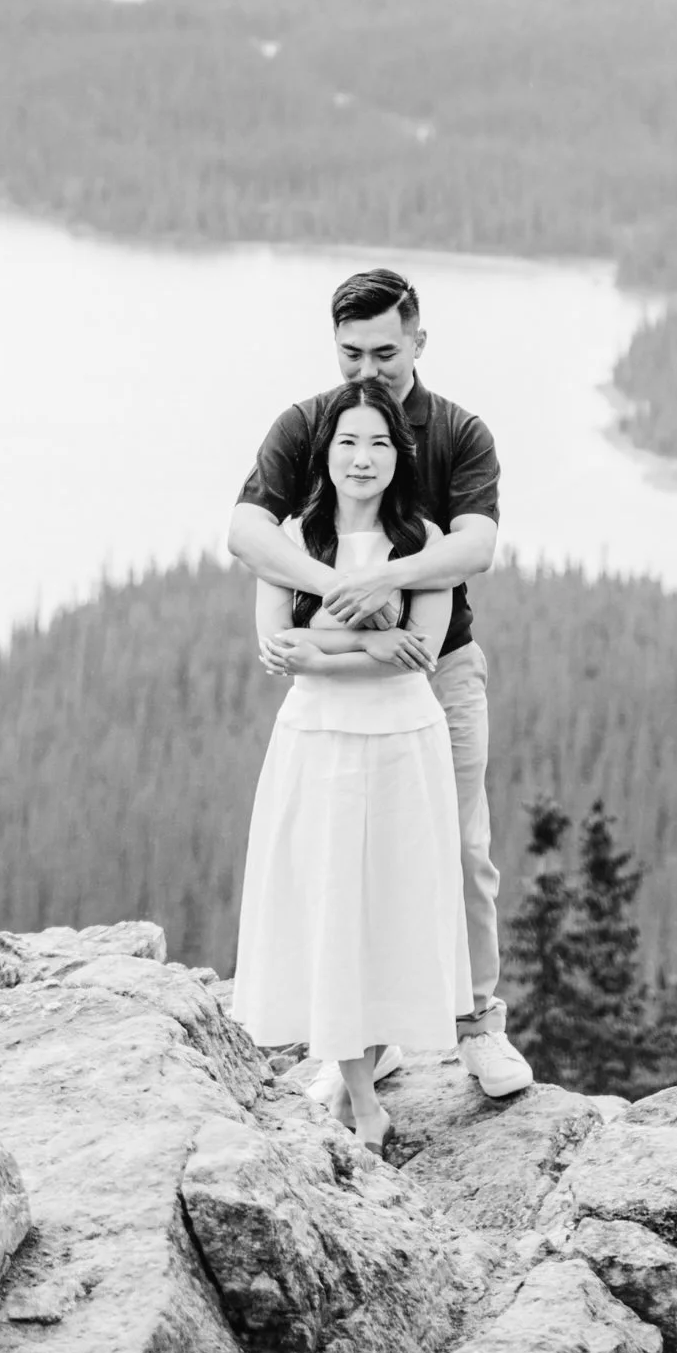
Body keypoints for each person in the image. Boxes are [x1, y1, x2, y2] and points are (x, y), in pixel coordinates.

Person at [228, 266, 534, 1100]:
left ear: (419, 342)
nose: (368, 372)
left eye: (386, 352)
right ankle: (360, 1039)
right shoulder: (310, 424)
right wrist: (340, 590)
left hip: (439, 671)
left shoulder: (459, 433)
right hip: (336, 692)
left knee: (460, 847)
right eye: (351, 353)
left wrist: (392, 580)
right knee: (343, 861)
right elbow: (248, 531)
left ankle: (475, 1025)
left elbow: (474, 547)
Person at [231, 378, 469, 1149]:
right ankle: (364, 1101)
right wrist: (370, 643)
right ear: (324, 454)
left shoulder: (424, 543)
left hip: (404, 742)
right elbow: (280, 648)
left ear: (400, 456)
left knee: (386, 909)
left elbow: (423, 654)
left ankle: (364, 1070)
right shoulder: (293, 539)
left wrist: (329, 647)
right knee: (330, 904)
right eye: (346, 443)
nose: (361, 459)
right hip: (320, 742)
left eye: (377, 444)